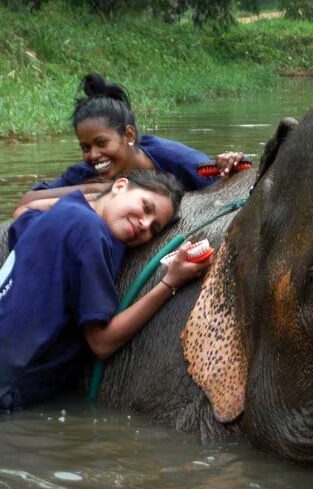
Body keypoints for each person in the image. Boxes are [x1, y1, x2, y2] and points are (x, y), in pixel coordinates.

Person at [0, 169, 208, 410]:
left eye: (154, 229)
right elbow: (102, 343)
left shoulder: (65, 210)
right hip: (9, 385)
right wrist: (170, 282)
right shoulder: (91, 233)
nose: (144, 225)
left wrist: (97, 198)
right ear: (120, 185)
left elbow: (23, 212)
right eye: (146, 207)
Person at [16, 72, 247, 211]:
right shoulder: (86, 172)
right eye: (85, 148)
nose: (93, 155)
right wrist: (96, 188)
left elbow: (226, 186)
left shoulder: (173, 158)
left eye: (101, 143)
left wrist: (230, 165)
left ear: (129, 136)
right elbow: (28, 200)